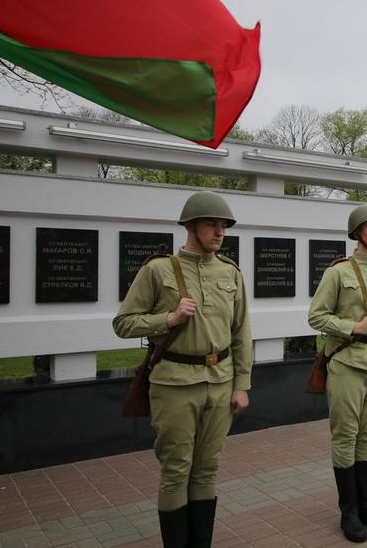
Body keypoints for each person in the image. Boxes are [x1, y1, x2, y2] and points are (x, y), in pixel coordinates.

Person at [113, 190, 252, 548]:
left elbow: (241, 333)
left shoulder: (230, 272)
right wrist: (168, 318)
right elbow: (124, 323)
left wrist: (242, 385)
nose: (219, 231)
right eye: (211, 224)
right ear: (190, 226)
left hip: (220, 382)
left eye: (223, 225)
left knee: (207, 470)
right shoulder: (158, 270)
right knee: (176, 472)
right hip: (174, 384)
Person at [307, 205, 367, 543]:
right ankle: (348, 511)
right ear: (357, 232)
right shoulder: (338, 272)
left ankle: (366, 506)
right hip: (348, 362)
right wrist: (353, 327)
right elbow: (316, 316)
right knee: (346, 436)